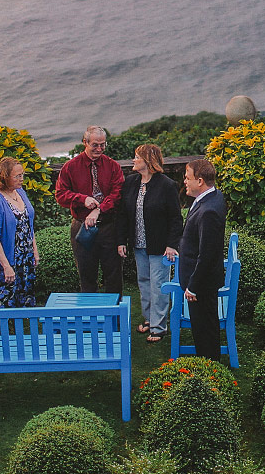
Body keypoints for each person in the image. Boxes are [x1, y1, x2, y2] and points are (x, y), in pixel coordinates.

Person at [116, 144, 183, 343]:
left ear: (148, 161)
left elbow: (175, 218)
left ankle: (159, 327)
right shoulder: (130, 182)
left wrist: (172, 245)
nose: (133, 160)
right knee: (143, 282)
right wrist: (121, 241)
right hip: (138, 244)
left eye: (137, 157)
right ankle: (148, 319)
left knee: (159, 285)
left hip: (160, 246)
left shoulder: (167, 185)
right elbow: (122, 215)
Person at [56, 125, 124, 295]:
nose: (99, 149)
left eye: (103, 144)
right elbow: (60, 195)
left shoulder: (113, 166)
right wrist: (82, 199)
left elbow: (118, 194)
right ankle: (90, 320)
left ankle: (115, 319)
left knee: (114, 277)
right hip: (81, 227)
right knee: (86, 277)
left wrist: (99, 210)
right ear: (84, 142)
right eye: (95, 145)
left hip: (108, 227)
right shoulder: (70, 167)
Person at [178, 159, 227, 360]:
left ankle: (210, 371)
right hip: (202, 282)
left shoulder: (209, 211)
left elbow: (208, 255)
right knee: (206, 328)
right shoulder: (212, 197)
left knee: (205, 331)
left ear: (200, 181)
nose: (184, 182)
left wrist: (193, 286)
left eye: (187, 178)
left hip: (201, 285)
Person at [0, 157, 39, 307]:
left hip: (24, 259)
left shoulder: (20, 192)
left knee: (23, 300)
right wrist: (6, 266)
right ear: (5, 177)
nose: (22, 179)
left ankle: (22, 328)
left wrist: (34, 250)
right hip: (5, 261)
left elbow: (28, 224)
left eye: (22, 175)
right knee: (2, 304)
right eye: (17, 176)